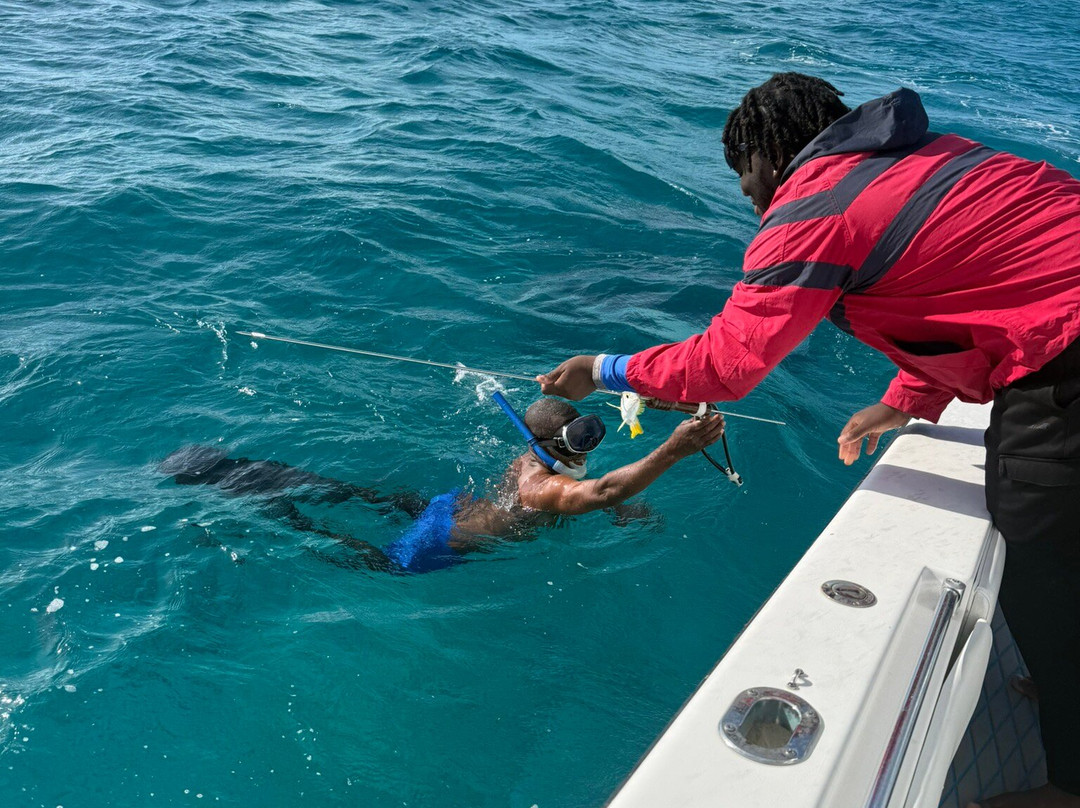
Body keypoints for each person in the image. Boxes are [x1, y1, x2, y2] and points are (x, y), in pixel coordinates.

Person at [537, 73, 1080, 807]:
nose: (745, 195)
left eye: (743, 172)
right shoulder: (924, 160)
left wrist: (602, 370)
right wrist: (906, 401)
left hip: (1065, 358)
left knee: (1039, 532)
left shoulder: (813, 206)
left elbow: (726, 365)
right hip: (1056, 330)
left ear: (769, 152)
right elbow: (975, 290)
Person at [161, 395, 725, 574]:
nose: (589, 446)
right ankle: (249, 498)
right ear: (553, 446)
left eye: (591, 433)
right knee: (358, 557)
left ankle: (247, 471)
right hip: (441, 542)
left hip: (451, 507)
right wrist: (672, 449)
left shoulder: (535, 462)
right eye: (580, 439)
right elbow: (597, 493)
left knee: (360, 495)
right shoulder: (542, 490)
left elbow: (592, 490)